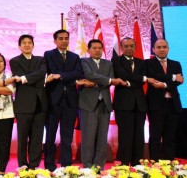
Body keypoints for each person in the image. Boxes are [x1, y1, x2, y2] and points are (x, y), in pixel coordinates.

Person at [79, 39, 125, 169]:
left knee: (102, 137)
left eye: (100, 48)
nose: (98, 50)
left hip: (104, 103)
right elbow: (90, 74)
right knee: (88, 137)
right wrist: (106, 80)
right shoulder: (83, 62)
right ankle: (87, 167)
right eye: (94, 48)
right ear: (88, 50)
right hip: (88, 104)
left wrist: (94, 82)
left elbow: (110, 81)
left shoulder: (108, 63)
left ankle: (99, 166)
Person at [44, 29, 83, 171]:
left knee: (67, 136)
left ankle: (67, 165)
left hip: (71, 101)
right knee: (50, 135)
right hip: (53, 99)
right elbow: (51, 70)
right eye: (60, 38)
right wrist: (68, 75)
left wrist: (60, 76)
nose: (64, 41)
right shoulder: (49, 55)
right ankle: (50, 165)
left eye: (66, 38)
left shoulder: (75, 56)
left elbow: (78, 73)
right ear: (55, 40)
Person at [9, 34, 47, 169]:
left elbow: (42, 73)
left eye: (29, 42)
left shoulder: (41, 60)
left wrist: (24, 78)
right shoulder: (14, 61)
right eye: (24, 43)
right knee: (23, 138)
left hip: (40, 104)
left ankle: (34, 165)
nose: (27, 45)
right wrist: (34, 78)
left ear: (33, 45)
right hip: (23, 105)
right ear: (19, 46)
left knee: (37, 138)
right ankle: (23, 165)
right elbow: (20, 76)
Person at [145, 39, 184, 161]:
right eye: (159, 47)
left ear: (168, 49)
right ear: (153, 49)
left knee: (170, 136)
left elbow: (179, 81)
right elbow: (154, 76)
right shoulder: (148, 63)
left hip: (173, 104)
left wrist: (164, 85)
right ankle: (155, 163)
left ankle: (169, 164)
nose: (162, 49)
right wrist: (172, 77)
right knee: (155, 136)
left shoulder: (176, 64)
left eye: (164, 47)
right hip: (156, 105)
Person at [112, 37, 147, 166]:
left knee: (139, 136)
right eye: (126, 46)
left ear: (135, 47)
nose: (129, 48)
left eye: (131, 46)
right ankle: (124, 164)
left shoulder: (142, 62)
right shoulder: (116, 61)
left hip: (140, 104)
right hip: (123, 104)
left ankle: (138, 164)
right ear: (121, 48)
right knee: (125, 136)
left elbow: (143, 81)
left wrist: (128, 82)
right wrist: (140, 78)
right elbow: (122, 75)